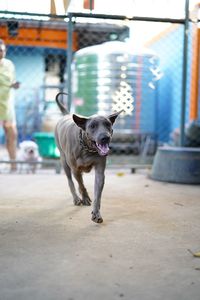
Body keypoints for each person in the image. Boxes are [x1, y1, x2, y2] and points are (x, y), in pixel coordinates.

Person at [0, 39, 20, 171]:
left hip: (6, 104)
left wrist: (15, 85)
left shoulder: (9, 64)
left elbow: (12, 81)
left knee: (12, 134)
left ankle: (14, 166)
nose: (1, 52)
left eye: (2, 50)